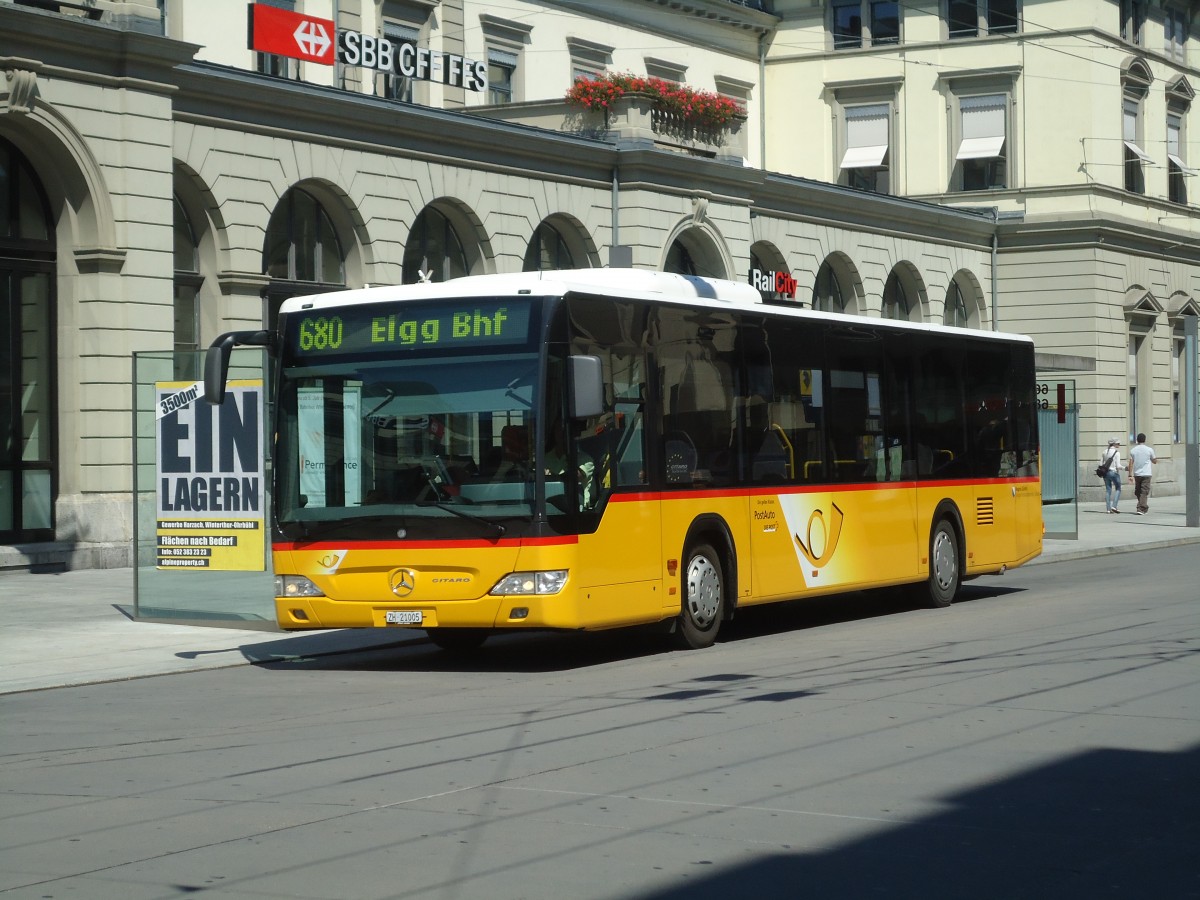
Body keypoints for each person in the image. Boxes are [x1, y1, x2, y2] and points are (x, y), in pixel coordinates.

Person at [1128, 432, 1158, 515]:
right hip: (1147, 473)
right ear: (1145, 440)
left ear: (1137, 440)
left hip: (1137, 474)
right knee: (1144, 491)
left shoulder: (1133, 450)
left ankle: (1142, 506)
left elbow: (1131, 463)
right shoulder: (1149, 450)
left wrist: (1130, 474)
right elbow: (1154, 461)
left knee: (1138, 491)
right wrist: (1153, 460)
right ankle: (1141, 508)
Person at [1100, 437, 1123, 513]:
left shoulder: (1104, 452)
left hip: (1105, 473)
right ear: (1115, 444)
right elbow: (1118, 466)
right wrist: (1125, 468)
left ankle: (1108, 509)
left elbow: (1101, 464)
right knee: (1118, 488)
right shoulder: (1117, 453)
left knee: (1108, 490)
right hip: (1113, 472)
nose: (1119, 444)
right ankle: (1114, 506)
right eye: (1118, 443)